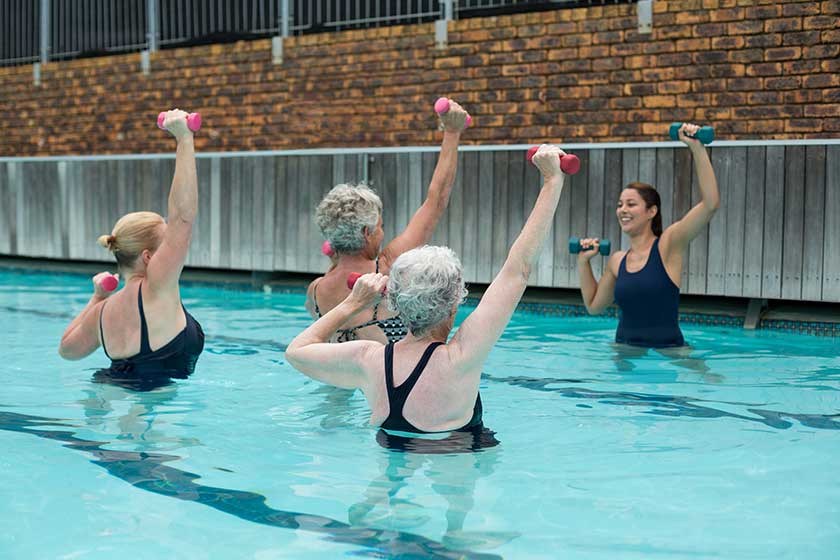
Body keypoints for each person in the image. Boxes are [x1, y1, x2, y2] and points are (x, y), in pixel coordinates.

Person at [286, 145, 570, 433]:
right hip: (455, 457)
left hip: (387, 463)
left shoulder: (369, 360)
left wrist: (352, 304)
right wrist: (552, 181)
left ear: (393, 301)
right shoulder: (461, 358)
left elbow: (296, 351)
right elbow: (517, 271)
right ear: (454, 304)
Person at [58, 109, 204, 388]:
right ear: (149, 257)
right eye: (165, 246)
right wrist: (184, 139)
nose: (173, 250)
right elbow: (182, 219)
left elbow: (67, 350)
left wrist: (97, 297)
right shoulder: (158, 287)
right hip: (158, 416)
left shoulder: (102, 312)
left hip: (116, 390)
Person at [306, 99, 469, 344]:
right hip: (390, 380)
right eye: (379, 227)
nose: (382, 233)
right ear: (365, 232)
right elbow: (436, 200)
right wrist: (452, 132)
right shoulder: (387, 269)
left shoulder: (315, 291)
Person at [576, 123, 720, 348]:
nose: (623, 210)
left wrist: (697, 148)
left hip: (669, 353)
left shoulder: (668, 245)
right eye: (620, 204)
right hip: (624, 353)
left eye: (631, 204)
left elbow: (710, 204)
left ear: (651, 211)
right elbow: (594, 307)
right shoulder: (617, 261)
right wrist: (583, 262)